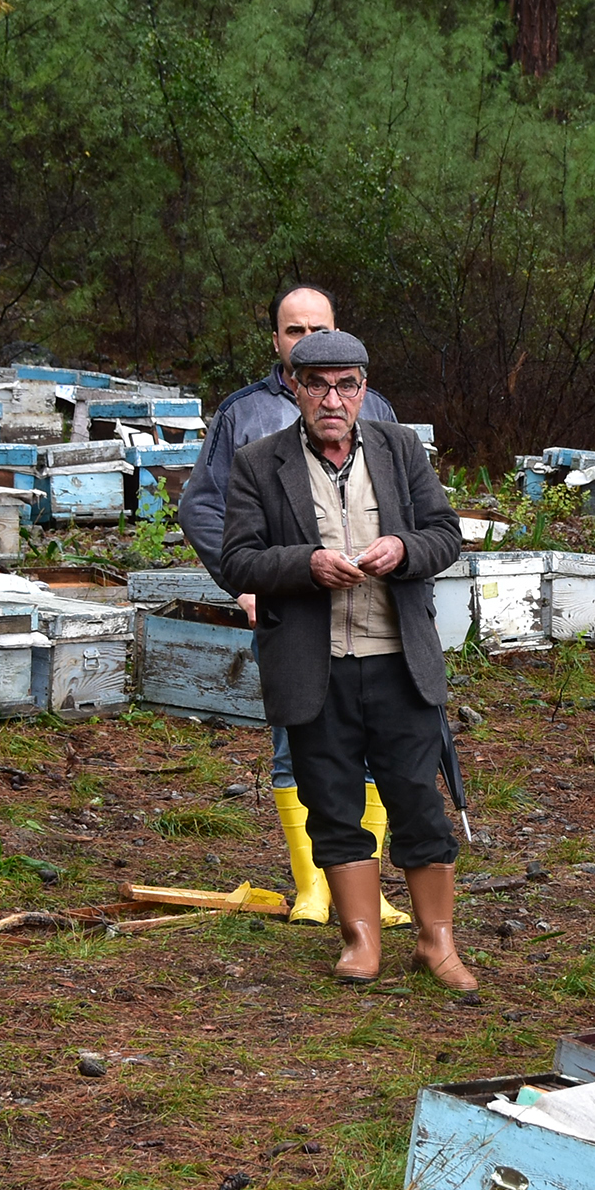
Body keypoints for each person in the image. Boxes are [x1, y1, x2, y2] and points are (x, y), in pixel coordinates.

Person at [215, 330, 475, 993]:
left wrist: (404, 549)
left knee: (418, 799)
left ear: (364, 389)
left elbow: (446, 533)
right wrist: (305, 565)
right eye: (317, 384)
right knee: (331, 803)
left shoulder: (399, 449)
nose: (332, 399)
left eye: (346, 385)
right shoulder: (256, 462)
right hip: (314, 665)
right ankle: (360, 941)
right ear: (294, 387)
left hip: (398, 662)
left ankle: (435, 943)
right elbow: (236, 560)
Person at [177, 284, 408, 929]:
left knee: (373, 745)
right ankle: (312, 885)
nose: (307, 340)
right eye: (294, 331)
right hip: (288, 609)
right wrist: (244, 582)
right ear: (276, 341)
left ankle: (368, 888)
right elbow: (202, 505)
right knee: (295, 740)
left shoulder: (376, 407)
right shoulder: (243, 414)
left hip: (371, 612)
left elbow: (407, 501)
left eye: (319, 328)